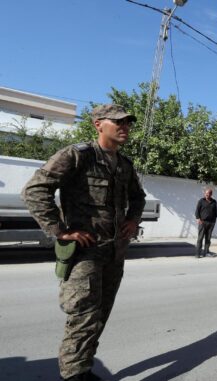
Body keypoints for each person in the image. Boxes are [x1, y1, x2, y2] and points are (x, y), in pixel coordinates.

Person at [22, 104, 146, 381]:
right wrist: (59, 230)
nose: (125, 127)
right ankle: (74, 374)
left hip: (114, 253)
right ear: (98, 124)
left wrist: (132, 219)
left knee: (99, 318)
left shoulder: (124, 165)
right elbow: (34, 190)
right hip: (84, 254)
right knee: (83, 318)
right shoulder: (77, 156)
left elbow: (138, 197)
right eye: (118, 122)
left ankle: (84, 368)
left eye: (128, 122)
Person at [195, 187, 217, 258]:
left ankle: (206, 252)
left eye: (208, 193)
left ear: (211, 194)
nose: (207, 195)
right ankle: (198, 253)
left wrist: (214, 221)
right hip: (203, 222)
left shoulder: (214, 202)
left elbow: (215, 212)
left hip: (211, 223)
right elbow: (197, 211)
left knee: (208, 238)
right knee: (200, 238)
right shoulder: (201, 201)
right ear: (204, 194)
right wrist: (198, 218)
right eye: (206, 193)